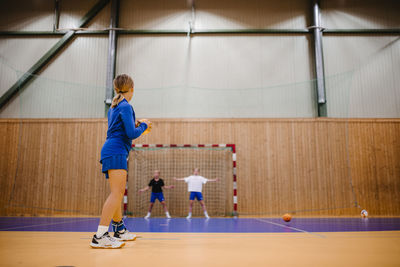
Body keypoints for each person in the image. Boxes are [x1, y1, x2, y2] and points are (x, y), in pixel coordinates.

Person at [90, 74, 151, 249]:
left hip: (111, 149)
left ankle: (118, 230)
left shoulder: (114, 107)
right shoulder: (126, 106)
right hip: (116, 150)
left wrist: (136, 124)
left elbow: (123, 129)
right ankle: (100, 235)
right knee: (117, 194)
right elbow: (131, 133)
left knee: (116, 193)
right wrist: (144, 126)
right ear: (131, 89)